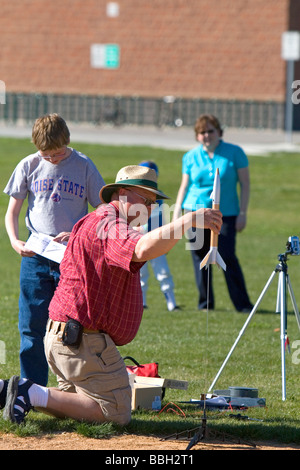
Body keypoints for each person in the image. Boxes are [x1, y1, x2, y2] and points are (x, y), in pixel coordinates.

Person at [1, 164, 222, 425]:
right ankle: (27, 392)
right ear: (123, 194)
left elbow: (139, 238)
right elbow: (141, 248)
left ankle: (19, 394)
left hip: (64, 340)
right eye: (146, 200)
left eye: (153, 203)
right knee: (116, 413)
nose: (150, 208)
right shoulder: (111, 225)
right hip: (81, 344)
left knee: (83, 409)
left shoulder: (97, 220)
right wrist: (188, 220)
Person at [3, 113, 105, 387]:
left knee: (73, 326)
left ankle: (72, 388)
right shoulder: (29, 165)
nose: (53, 159)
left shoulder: (83, 165)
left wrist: (76, 234)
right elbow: (12, 212)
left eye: (58, 153)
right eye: (46, 154)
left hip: (71, 258)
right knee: (31, 327)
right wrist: (15, 241)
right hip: (35, 256)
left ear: (67, 141)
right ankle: (31, 389)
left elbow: (104, 211)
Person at [173, 114, 253, 313]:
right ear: (197, 136)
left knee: (226, 255)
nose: (207, 135)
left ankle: (242, 304)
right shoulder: (190, 157)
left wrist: (243, 212)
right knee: (200, 257)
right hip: (195, 211)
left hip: (226, 213)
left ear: (219, 132)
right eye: (202, 132)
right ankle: (205, 304)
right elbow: (184, 186)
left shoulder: (235, 153)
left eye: (210, 131)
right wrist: (176, 214)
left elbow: (245, 183)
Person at [138, 160, 179, 311]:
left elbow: (162, 219)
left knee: (163, 272)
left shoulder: (158, 197)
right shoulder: (134, 196)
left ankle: (171, 303)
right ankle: (141, 302)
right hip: (139, 239)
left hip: (156, 238)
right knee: (140, 273)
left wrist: (166, 239)